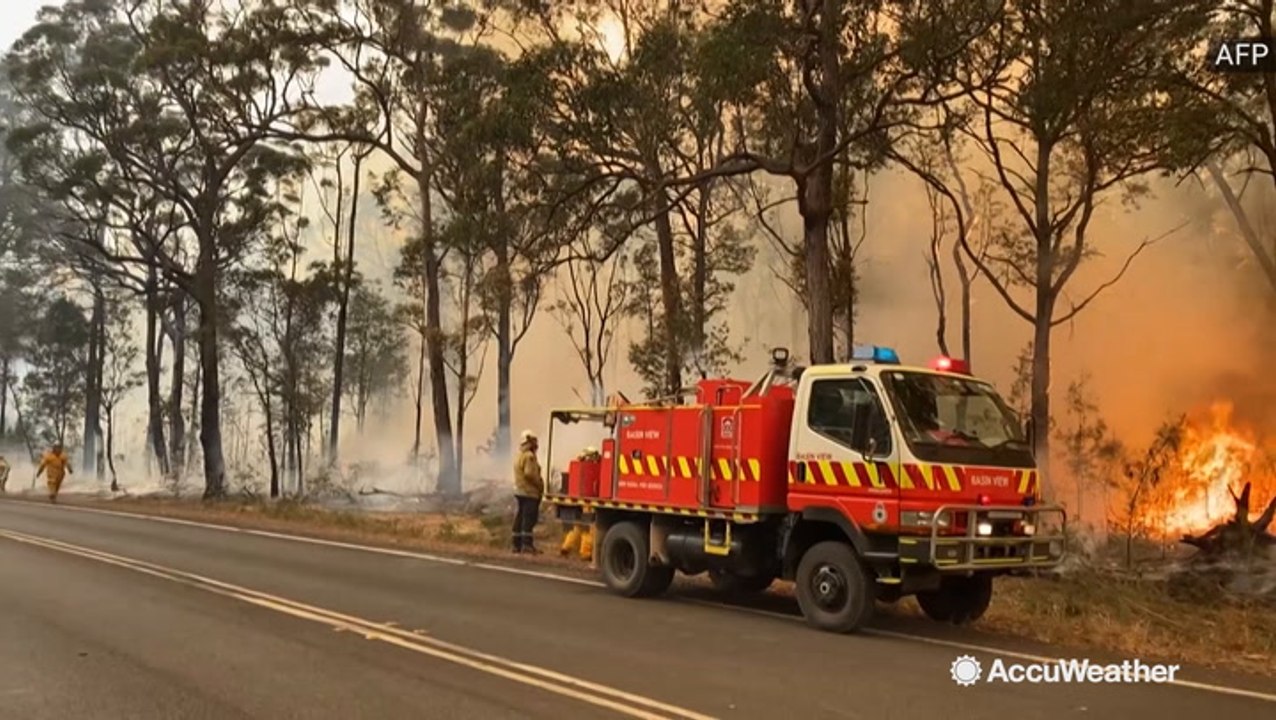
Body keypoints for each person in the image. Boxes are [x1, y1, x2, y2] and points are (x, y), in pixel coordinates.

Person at [512, 429, 544, 554]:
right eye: (534, 441)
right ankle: (527, 545)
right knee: (528, 518)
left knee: (520, 517)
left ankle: (516, 544)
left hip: (520, 491)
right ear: (529, 441)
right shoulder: (529, 456)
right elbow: (530, 474)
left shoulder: (519, 455)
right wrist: (539, 484)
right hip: (529, 492)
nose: (536, 444)